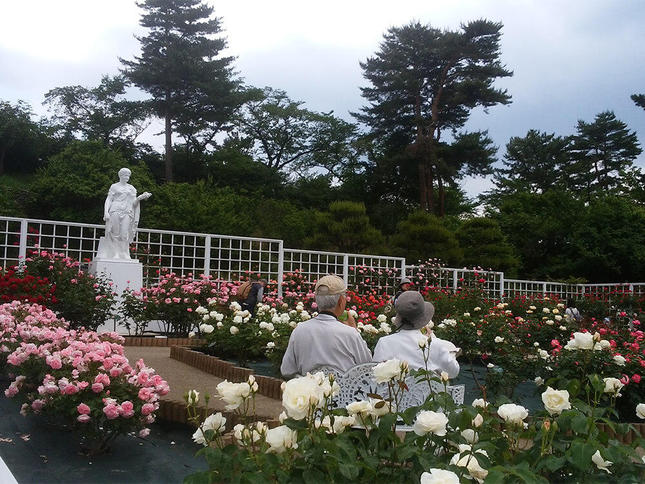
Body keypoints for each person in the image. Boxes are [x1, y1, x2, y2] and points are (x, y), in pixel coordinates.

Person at [280, 275, 372, 378]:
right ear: (341, 301)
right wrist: (354, 329)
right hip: (345, 393)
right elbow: (367, 368)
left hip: (310, 392)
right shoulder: (350, 333)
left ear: (317, 300)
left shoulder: (299, 330)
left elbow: (286, 370)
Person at [373, 291, 460, 378]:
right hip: (429, 391)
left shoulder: (384, 343)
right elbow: (453, 372)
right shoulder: (435, 345)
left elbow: (375, 374)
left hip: (395, 391)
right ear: (422, 317)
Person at [96, 168, 151, 260]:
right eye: (125, 175)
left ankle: (124, 253)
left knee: (124, 233)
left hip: (127, 211)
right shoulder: (114, 186)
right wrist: (106, 212)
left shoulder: (131, 188)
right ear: (120, 176)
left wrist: (140, 198)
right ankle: (115, 253)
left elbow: (134, 203)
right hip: (115, 210)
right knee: (115, 232)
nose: (127, 177)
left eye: (128, 176)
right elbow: (109, 199)